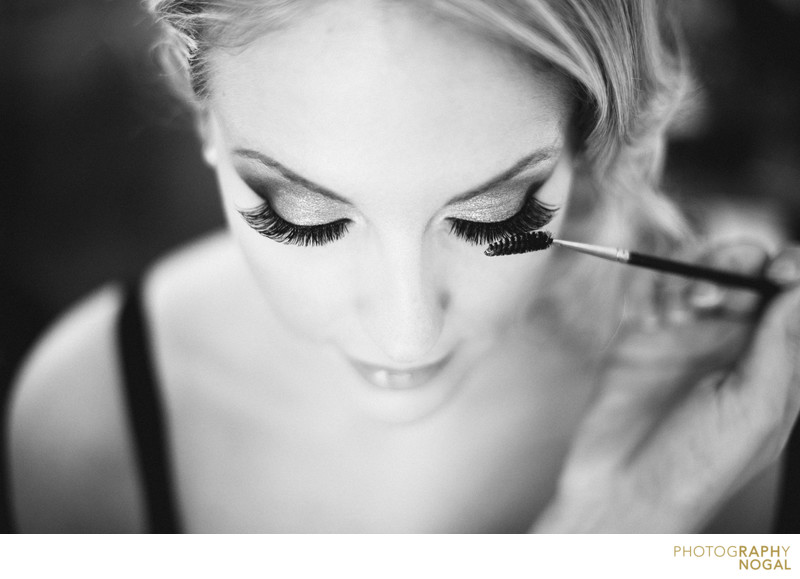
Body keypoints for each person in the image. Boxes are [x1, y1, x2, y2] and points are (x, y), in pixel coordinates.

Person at [4, 0, 800, 533]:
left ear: (582, 145)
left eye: (495, 214)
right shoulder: (90, 423)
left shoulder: (709, 412)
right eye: (304, 218)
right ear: (204, 115)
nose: (406, 334)